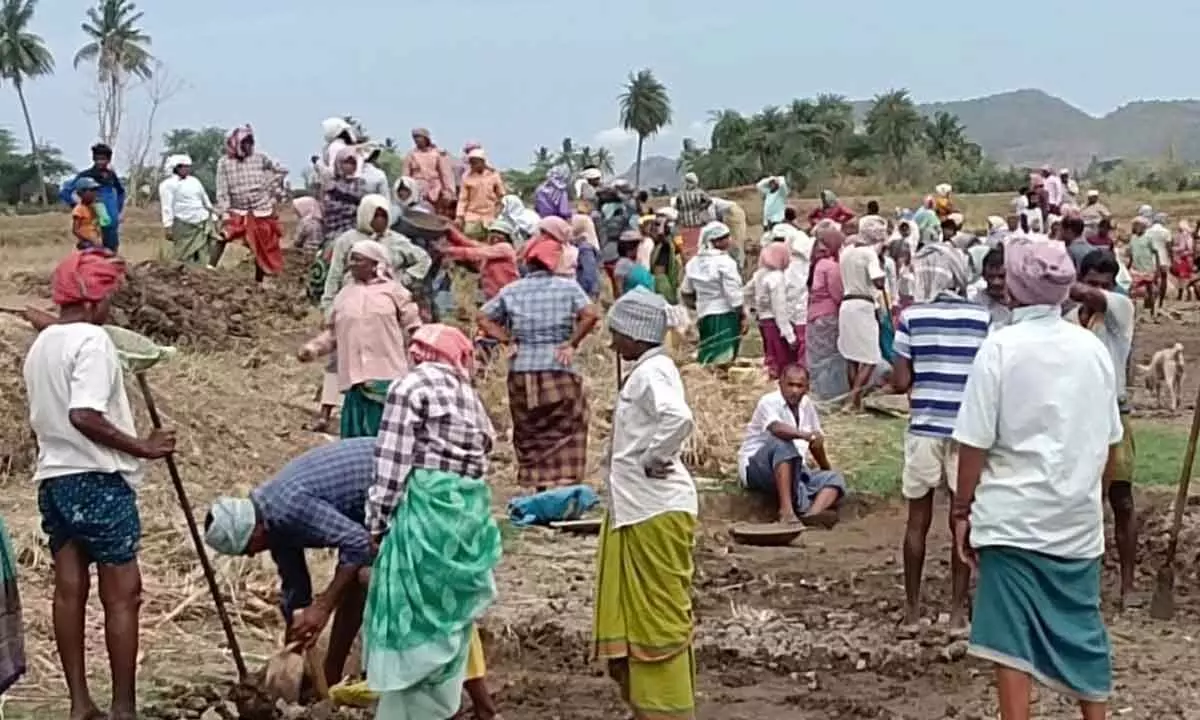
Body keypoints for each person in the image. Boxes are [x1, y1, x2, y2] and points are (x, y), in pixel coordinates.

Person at [952, 238, 1120, 720]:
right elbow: (1109, 442)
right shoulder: (1091, 350)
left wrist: (962, 510)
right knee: (1084, 633)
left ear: (1014, 288)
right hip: (1075, 525)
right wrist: (1091, 499)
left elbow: (974, 442)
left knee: (1010, 645)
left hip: (1011, 519)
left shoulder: (1000, 348)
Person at [24, 249, 176, 720]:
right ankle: (124, 708)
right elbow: (84, 414)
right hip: (96, 480)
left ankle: (79, 704)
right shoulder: (93, 341)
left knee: (70, 588)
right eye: (109, 294)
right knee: (123, 593)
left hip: (54, 478)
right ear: (94, 300)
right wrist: (142, 446)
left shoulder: (43, 343)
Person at [363, 324, 503, 720]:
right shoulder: (468, 396)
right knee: (450, 615)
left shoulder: (408, 388)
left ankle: (410, 710)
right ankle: (441, 704)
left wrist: (377, 521)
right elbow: (485, 451)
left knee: (414, 613)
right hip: (466, 513)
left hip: (426, 510)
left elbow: (391, 461)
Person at [592, 288, 698, 720]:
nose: (613, 343)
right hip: (636, 508)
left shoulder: (654, 372)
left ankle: (668, 710)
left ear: (636, 334)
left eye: (617, 333)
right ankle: (646, 706)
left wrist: (656, 457)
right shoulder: (650, 370)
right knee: (640, 618)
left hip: (653, 508)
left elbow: (679, 417)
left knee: (658, 620)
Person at [203, 438, 376, 686]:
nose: (252, 555)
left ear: (256, 531)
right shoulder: (270, 520)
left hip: (392, 481)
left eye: (248, 549)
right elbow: (296, 590)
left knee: (360, 579)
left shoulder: (288, 509)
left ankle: (345, 675)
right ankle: (331, 676)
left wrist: (323, 607)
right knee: (349, 579)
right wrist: (293, 646)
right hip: (364, 507)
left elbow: (359, 544)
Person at [889, 245, 987, 629]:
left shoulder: (912, 317)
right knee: (962, 521)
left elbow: (901, 382)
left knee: (917, 523)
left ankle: (913, 612)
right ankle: (958, 612)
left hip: (924, 429)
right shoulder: (980, 319)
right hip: (967, 433)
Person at [477, 226, 600, 490]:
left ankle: (538, 484)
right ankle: (565, 483)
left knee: (529, 428)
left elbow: (483, 316)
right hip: (559, 365)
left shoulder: (512, 291)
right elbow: (591, 314)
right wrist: (571, 342)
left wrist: (507, 339)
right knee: (569, 424)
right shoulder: (568, 288)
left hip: (522, 368)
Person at [1066, 249, 1137, 609]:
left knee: (1121, 500)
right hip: (1075, 418)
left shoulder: (1120, 311)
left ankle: (1127, 586)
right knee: (1080, 501)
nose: (1098, 292)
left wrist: (1058, 282)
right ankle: (1084, 582)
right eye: (1092, 282)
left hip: (1114, 413)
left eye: (1104, 286)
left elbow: (1089, 297)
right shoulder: (1066, 320)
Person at [301, 238, 422, 438]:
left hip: (387, 377)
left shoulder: (395, 293)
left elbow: (414, 328)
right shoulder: (345, 295)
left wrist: (420, 362)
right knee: (354, 439)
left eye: (359, 260)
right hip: (355, 381)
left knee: (383, 438)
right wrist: (314, 349)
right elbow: (333, 334)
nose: (352, 265)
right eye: (351, 260)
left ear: (376, 264)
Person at [738, 364, 845, 526]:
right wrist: (805, 435)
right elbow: (777, 429)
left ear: (807, 388)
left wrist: (826, 469)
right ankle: (786, 512)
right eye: (790, 385)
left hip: (794, 469)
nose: (794, 390)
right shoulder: (768, 402)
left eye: (799, 386)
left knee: (834, 478)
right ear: (780, 384)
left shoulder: (806, 405)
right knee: (783, 444)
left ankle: (811, 516)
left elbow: (815, 442)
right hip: (757, 468)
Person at [320, 195, 432, 312]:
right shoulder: (347, 240)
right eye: (376, 215)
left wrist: (405, 278)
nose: (380, 220)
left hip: (389, 302)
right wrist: (328, 304)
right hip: (354, 301)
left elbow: (423, 259)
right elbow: (335, 273)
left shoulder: (396, 240)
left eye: (384, 216)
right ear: (365, 215)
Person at [213, 125, 288, 284]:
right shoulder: (224, 163)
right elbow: (222, 189)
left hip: (261, 208)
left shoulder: (260, 158)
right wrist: (224, 211)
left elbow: (279, 170)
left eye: (250, 143)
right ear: (235, 144)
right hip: (237, 209)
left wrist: (271, 186)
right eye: (245, 143)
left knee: (263, 243)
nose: (248, 147)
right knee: (223, 236)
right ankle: (209, 269)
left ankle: (259, 280)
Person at [681, 221, 744, 366]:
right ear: (715, 241)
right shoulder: (725, 262)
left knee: (708, 351)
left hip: (705, 314)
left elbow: (686, 292)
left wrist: (699, 306)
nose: (729, 240)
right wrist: (741, 314)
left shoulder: (694, 262)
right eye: (725, 237)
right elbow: (733, 294)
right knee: (723, 356)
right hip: (725, 314)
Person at [838, 234, 887, 411]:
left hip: (846, 305)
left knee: (851, 356)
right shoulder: (869, 254)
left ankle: (854, 400)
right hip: (863, 305)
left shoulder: (845, 254)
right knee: (870, 357)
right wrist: (882, 273)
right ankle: (853, 400)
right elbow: (878, 281)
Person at [806, 223, 848, 399]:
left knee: (817, 356)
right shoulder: (830, 267)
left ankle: (816, 389)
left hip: (814, 316)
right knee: (830, 357)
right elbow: (837, 293)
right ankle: (828, 392)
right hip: (829, 316)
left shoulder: (816, 264)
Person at [60, 144, 125, 252]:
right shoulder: (86, 175)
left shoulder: (111, 175)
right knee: (95, 249)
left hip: (110, 221)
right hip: (93, 222)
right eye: (97, 159)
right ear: (93, 159)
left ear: (109, 160)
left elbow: (121, 192)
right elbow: (65, 192)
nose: (100, 162)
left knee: (112, 250)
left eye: (103, 159)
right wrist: (77, 205)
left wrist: (117, 210)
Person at [751, 242, 802, 378]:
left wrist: (755, 308)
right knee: (783, 365)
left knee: (771, 360)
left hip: (763, 322)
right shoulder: (776, 277)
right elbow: (780, 310)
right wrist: (790, 336)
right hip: (775, 326)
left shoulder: (759, 274)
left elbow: (746, 293)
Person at [159, 154, 218, 265]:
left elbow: (205, 200)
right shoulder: (168, 185)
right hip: (183, 224)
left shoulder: (194, 181)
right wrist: (168, 226)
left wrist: (213, 216)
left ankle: (202, 273)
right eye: (183, 166)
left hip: (202, 222)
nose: (187, 169)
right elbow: (167, 207)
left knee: (203, 253)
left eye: (188, 166)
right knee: (183, 255)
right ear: (176, 168)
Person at [442, 219, 520, 301]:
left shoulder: (505, 248)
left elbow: (475, 252)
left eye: (500, 233)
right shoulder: (490, 249)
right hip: (494, 296)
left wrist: (447, 250)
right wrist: (451, 232)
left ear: (507, 237)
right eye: (493, 233)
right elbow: (468, 243)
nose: (495, 236)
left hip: (507, 295)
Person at [404, 128, 457, 217]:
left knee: (436, 216)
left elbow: (445, 174)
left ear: (426, 138)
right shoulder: (411, 155)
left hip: (435, 191)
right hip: (417, 190)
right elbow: (405, 176)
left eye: (419, 137)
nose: (417, 139)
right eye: (415, 137)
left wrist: (449, 191)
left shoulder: (436, 154)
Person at [456, 148, 506, 238]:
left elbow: (501, 195)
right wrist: (459, 216)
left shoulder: (493, 175)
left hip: (490, 215)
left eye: (475, 162)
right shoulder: (466, 177)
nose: (472, 165)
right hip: (472, 215)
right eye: (471, 162)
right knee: (470, 237)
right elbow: (463, 199)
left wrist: (498, 212)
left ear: (482, 162)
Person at [969, 247, 1012, 331]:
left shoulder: (1023, 303)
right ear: (983, 276)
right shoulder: (975, 305)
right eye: (991, 276)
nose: (996, 282)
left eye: (1001, 276)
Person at [671, 172, 713, 259]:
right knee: (698, 246)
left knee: (688, 248)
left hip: (685, 225)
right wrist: (701, 208)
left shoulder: (680, 194)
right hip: (697, 223)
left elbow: (677, 206)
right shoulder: (700, 192)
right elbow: (709, 201)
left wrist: (683, 211)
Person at [1146, 212, 1173, 309]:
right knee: (1163, 279)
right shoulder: (1166, 232)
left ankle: (1150, 301)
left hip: (1150, 259)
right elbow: (1169, 247)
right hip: (1163, 258)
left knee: (1150, 281)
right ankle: (1160, 301)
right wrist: (1172, 259)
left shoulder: (1148, 231)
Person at [70, 177, 105, 250]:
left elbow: (97, 224)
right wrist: (87, 241)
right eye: (92, 190)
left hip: (96, 240)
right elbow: (75, 230)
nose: (95, 193)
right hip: (87, 243)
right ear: (81, 193)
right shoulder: (79, 209)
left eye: (96, 190)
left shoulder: (94, 207)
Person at [1171, 220, 1196, 300]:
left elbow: (1181, 247)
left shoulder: (1183, 235)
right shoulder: (1190, 236)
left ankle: (1181, 295)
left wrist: (1173, 249)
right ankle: (1189, 294)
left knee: (1181, 278)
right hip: (1189, 258)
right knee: (1187, 277)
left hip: (1183, 258)